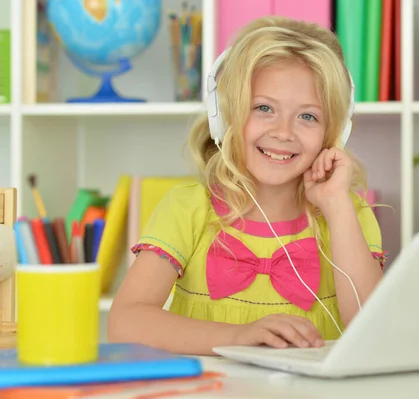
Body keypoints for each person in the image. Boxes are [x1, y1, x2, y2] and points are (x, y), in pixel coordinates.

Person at [108, 16, 387, 356]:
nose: (284, 132)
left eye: (308, 116)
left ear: (335, 132)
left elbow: (375, 333)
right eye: (264, 108)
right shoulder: (188, 209)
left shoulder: (348, 214)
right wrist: (239, 337)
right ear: (225, 116)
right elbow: (124, 324)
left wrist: (337, 206)